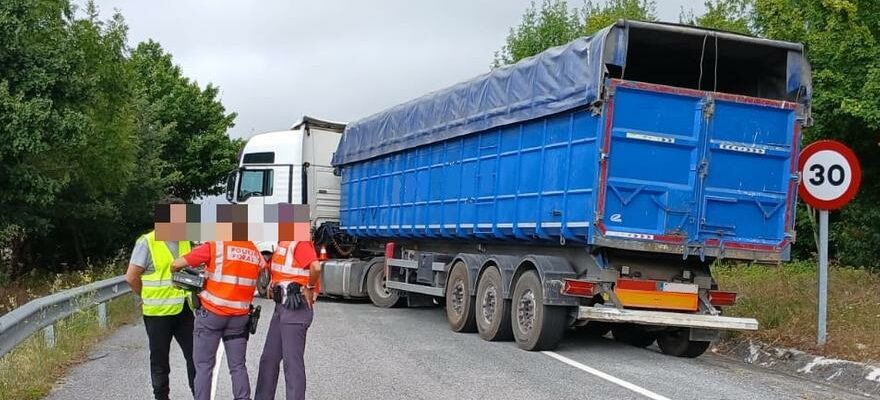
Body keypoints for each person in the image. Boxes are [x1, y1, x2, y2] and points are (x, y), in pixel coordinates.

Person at [172, 240, 265, 400]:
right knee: (238, 366)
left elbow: (176, 264)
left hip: (212, 315)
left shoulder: (216, 246)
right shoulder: (254, 251)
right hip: (239, 318)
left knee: (204, 367)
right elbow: (264, 274)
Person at [124, 196, 196, 400]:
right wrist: (145, 294)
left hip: (184, 310)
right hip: (157, 313)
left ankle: (199, 394)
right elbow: (131, 277)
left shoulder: (185, 240)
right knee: (160, 362)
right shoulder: (147, 242)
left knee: (195, 358)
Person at [254, 240, 322, 400]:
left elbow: (316, 267)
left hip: (296, 308)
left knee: (292, 365)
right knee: (269, 359)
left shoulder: (299, 243)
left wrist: (310, 287)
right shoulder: (283, 243)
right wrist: (272, 283)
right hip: (281, 307)